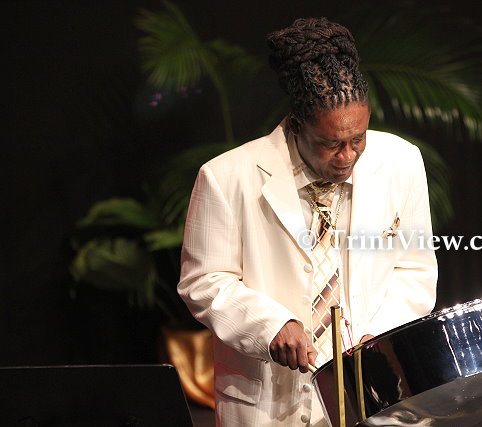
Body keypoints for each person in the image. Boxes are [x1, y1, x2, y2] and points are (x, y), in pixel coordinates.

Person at [177, 17, 438, 426]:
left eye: (358, 139)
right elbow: (205, 281)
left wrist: (381, 337)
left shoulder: (401, 162)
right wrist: (270, 325)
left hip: (375, 391)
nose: (347, 156)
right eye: (330, 143)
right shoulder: (226, 177)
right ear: (297, 125)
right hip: (269, 400)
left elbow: (414, 267)